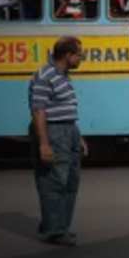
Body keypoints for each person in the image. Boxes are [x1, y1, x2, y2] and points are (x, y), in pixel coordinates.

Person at [29, 36, 86, 246]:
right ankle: (53, 230)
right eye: (79, 54)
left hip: (69, 130)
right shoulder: (45, 76)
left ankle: (60, 226)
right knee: (54, 182)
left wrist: (78, 137)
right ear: (68, 55)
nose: (81, 58)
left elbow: (67, 108)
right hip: (53, 132)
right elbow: (39, 111)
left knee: (71, 182)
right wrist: (44, 143)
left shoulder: (63, 75)